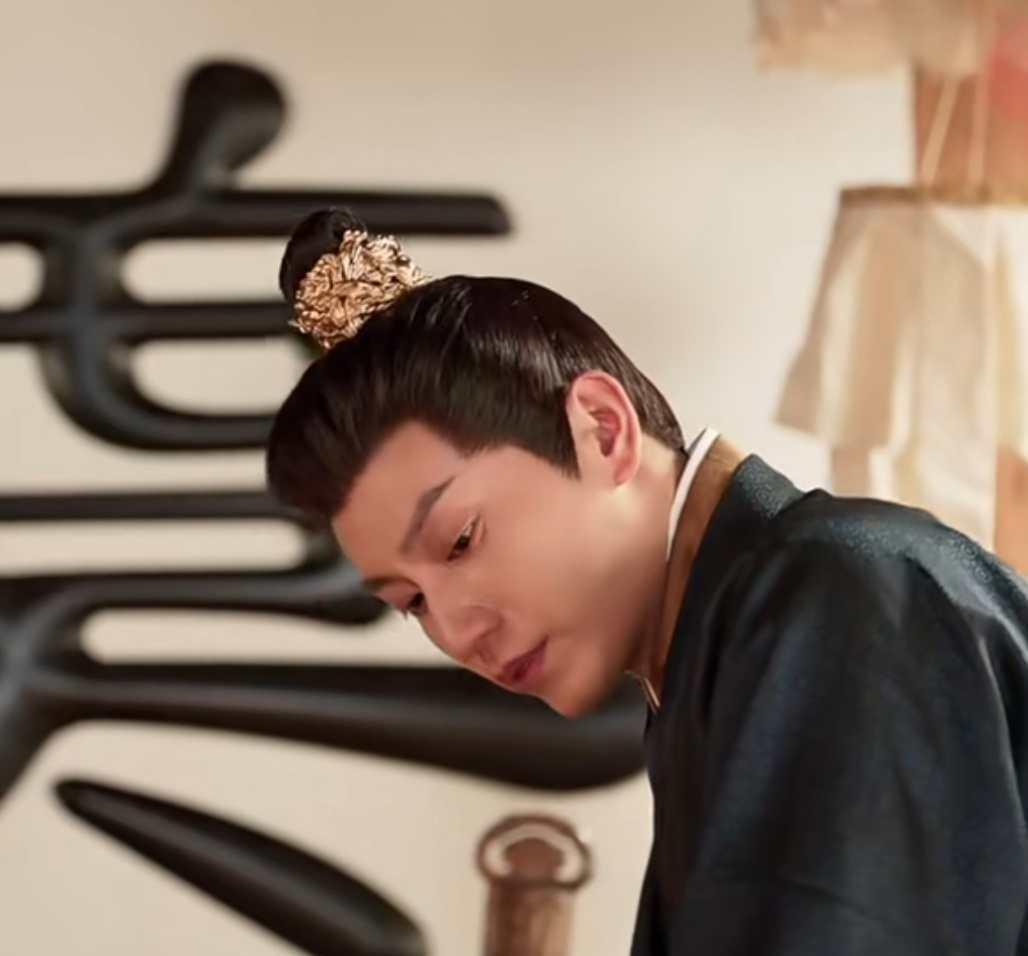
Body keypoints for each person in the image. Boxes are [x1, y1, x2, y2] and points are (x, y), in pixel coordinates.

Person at [266, 208, 1028, 955]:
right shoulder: (718, 656)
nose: (459, 632)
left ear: (602, 430)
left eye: (461, 541)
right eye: (412, 603)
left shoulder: (843, 599)